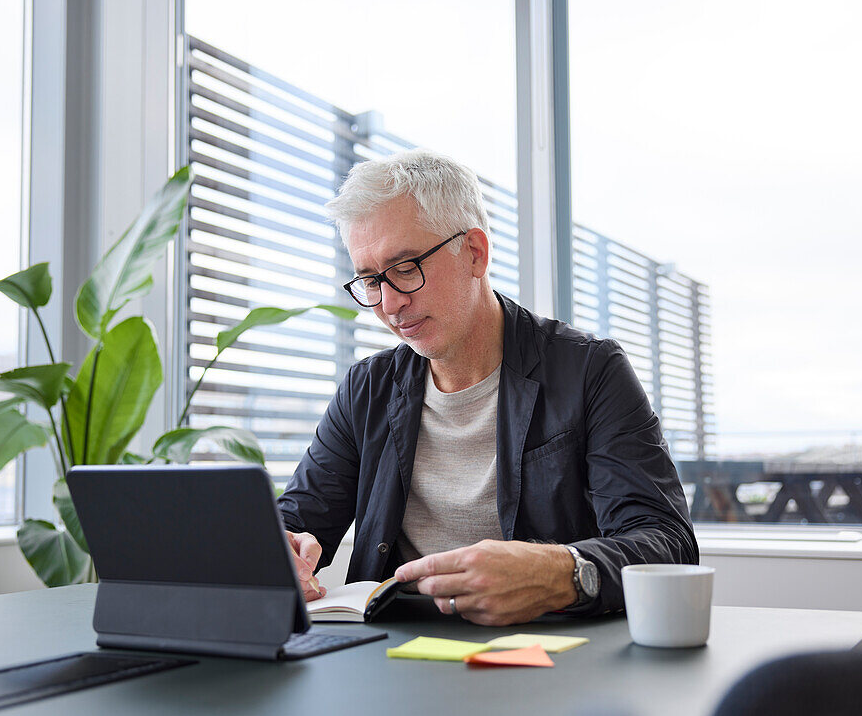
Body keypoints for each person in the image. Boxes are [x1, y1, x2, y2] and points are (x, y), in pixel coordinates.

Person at [277, 149, 697, 626]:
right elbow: (297, 520)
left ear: (474, 253)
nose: (389, 304)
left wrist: (561, 572)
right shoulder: (366, 389)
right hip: (393, 651)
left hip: (545, 651)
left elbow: (667, 542)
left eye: (406, 267)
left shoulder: (589, 370)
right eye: (370, 280)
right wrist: (283, 547)